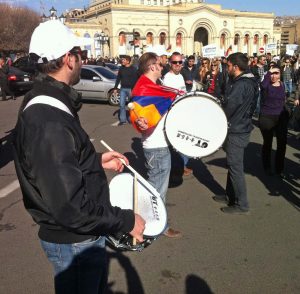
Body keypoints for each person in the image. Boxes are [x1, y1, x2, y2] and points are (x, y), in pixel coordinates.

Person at [12, 20, 145, 294]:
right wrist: (126, 220)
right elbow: (70, 208)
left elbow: (56, 164)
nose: (82, 60)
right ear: (68, 59)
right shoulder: (48, 118)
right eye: (79, 54)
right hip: (74, 240)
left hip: (76, 238)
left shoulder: (48, 101)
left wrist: (95, 160)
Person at [129, 52, 182, 238]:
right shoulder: (145, 88)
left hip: (157, 146)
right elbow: (137, 114)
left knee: (155, 189)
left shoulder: (152, 87)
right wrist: (140, 122)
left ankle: (150, 224)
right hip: (156, 147)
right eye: (160, 65)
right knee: (157, 192)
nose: (162, 67)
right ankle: (157, 228)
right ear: (152, 66)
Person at [213, 52, 258, 214]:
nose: (227, 68)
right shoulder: (248, 81)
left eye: (229, 66)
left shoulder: (241, 84)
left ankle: (241, 204)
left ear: (236, 67)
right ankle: (230, 195)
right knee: (233, 165)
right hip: (241, 127)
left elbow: (230, 107)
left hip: (237, 130)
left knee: (235, 167)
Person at [259, 66, 290, 178]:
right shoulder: (267, 84)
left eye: (276, 73)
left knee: (282, 144)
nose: (274, 76)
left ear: (280, 74)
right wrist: (268, 73)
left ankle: (279, 169)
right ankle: (267, 167)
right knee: (268, 143)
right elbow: (262, 86)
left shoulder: (282, 84)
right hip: (267, 117)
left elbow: (284, 99)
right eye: (272, 74)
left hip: (281, 117)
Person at [113, 55, 138, 125]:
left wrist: (135, 89)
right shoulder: (121, 68)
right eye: (122, 60)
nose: (122, 61)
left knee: (131, 105)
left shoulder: (133, 69)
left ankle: (131, 119)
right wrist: (115, 88)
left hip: (131, 89)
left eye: (124, 60)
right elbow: (118, 78)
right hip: (123, 89)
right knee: (121, 104)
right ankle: (123, 120)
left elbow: (136, 80)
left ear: (128, 61)